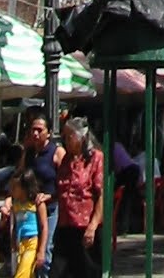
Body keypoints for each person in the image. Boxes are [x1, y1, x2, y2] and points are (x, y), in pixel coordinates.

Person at [51, 119, 103, 278]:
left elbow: (101, 194)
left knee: (86, 272)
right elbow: (63, 189)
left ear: (80, 137)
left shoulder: (96, 158)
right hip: (65, 226)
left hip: (84, 227)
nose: (65, 141)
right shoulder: (66, 160)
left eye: (68, 137)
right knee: (58, 273)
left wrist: (93, 226)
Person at [23, 111, 63, 278]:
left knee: (45, 252)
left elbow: (67, 182)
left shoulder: (57, 152)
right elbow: (19, 176)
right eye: (33, 129)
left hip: (51, 208)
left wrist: (51, 196)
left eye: (39, 130)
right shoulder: (29, 153)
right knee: (30, 250)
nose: (35, 133)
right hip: (30, 209)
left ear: (49, 132)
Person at [4, 165, 49, 278]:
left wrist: (41, 251)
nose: (12, 190)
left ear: (24, 187)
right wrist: (13, 240)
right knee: (28, 273)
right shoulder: (16, 204)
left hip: (32, 243)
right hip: (20, 243)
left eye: (15, 187)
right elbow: (15, 225)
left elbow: (44, 227)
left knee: (22, 274)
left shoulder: (37, 204)